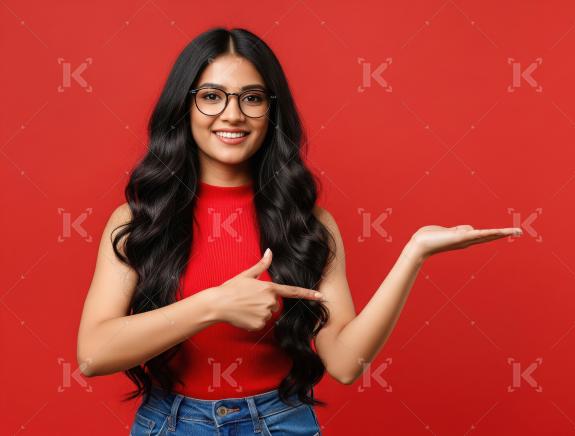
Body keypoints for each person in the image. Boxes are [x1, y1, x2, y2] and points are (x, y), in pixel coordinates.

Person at [76, 27, 522, 435]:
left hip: (280, 423)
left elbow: (345, 364)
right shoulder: (139, 219)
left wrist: (414, 254)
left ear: (271, 111)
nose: (232, 114)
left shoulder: (306, 223)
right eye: (211, 96)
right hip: (170, 424)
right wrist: (213, 305)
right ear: (184, 106)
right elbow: (93, 355)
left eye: (252, 98)